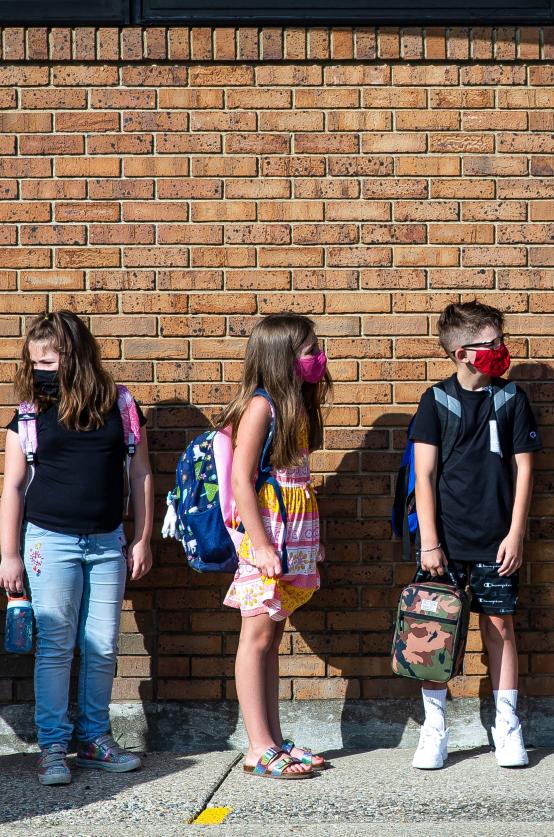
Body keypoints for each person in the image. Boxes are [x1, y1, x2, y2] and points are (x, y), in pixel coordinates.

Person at [0, 311, 153, 786]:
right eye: (35, 362)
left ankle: (93, 738)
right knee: (57, 647)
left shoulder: (121, 405)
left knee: (103, 645)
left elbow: (141, 473)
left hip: (107, 542)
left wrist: (143, 537)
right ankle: (53, 747)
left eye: (49, 360)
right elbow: (13, 488)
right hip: (49, 542)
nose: (41, 370)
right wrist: (10, 554)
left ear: (75, 355)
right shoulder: (28, 415)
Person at [409, 301, 541, 770]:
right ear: (463, 353)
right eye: (492, 344)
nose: (502, 350)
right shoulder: (436, 401)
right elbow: (423, 476)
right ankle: (434, 728)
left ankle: (507, 727)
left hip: (496, 538)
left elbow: (525, 471)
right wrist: (429, 541)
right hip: (442, 542)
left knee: (501, 626)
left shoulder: (512, 400)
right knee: (432, 632)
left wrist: (516, 533)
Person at [220, 313, 331, 780]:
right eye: (308, 350)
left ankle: (273, 739)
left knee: (272, 639)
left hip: (291, 538)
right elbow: (242, 481)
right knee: (257, 637)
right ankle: (256, 747)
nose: (317, 357)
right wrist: (261, 546)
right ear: (282, 357)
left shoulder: (293, 406)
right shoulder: (261, 407)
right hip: (266, 539)